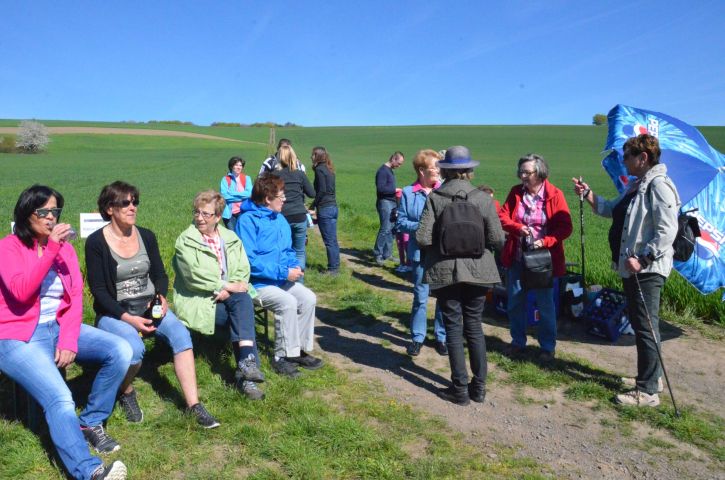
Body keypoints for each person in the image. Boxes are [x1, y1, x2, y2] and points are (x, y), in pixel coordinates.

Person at [0, 185, 131, 480]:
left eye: (54, 211)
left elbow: (74, 298)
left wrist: (69, 340)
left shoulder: (66, 250)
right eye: (43, 211)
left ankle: (90, 421)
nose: (50, 217)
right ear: (26, 214)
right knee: (60, 398)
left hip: (57, 328)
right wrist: (51, 250)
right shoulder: (7, 247)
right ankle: (90, 471)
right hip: (17, 335)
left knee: (120, 350)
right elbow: (21, 292)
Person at [85, 181, 220, 429]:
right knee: (135, 350)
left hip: (150, 306)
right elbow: (100, 293)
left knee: (181, 336)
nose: (132, 207)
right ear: (109, 209)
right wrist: (128, 318)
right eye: (125, 203)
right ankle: (125, 391)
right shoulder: (96, 243)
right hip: (116, 313)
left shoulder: (146, 236)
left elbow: (160, 274)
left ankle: (194, 405)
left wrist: (160, 296)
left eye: (135, 201)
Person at [573, 133, 679, 407]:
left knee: (645, 326)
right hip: (633, 268)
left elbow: (668, 230)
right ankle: (651, 378)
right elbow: (610, 209)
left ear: (642, 158)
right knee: (642, 323)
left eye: (627, 156)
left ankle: (647, 392)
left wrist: (644, 258)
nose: (624, 161)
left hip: (647, 269)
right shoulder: (637, 186)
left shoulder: (658, 186)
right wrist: (588, 194)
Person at [416, 146, 505, 405]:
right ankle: (479, 388)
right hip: (480, 270)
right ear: (469, 170)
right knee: (474, 327)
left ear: (445, 169)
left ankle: (459, 389)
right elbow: (497, 239)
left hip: (446, 271)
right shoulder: (483, 199)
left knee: (453, 328)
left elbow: (422, 237)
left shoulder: (436, 197)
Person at [172, 190, 265, 401]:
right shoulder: (186, 241)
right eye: (197, 212)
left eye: (206, 214)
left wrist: (229, 290)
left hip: (229, 298)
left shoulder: (231, 238)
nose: (199, 218)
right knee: (242, 310)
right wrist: (225, 286)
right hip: (201, 300)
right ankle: (247, 370)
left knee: (241, 304)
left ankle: (246, 368)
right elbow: (193, 277)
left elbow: (243, 268)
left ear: (217, 217)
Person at [236, 175, 323, 378]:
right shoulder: (247, 221)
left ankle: (297, 351)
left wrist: (293, 265)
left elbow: (288, 250)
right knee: (287, 302)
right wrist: (284, 272)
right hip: (255, 283)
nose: (284, 199)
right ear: (268, 198)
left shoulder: (280, 219)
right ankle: (281, 358)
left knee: (308, 298)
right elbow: (249, 261)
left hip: (279, 280)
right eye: (281, 195)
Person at [498, 154, 572, 362]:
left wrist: (545, 241)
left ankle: (547, 347)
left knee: (545, 305)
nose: (522, 176)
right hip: (518, 257)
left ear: (539, 173)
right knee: (515, 302)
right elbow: (503, 217)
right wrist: (518, 228)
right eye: (520, 172)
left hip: (543, 261)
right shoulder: (515, 193)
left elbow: (565, 227)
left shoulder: (555, 195)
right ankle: (517, 342)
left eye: (527, 172)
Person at [396, 149, 447, 357]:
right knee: (420, 296)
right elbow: (400, 221)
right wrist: (424, 227)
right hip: (419, 252)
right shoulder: (409, 193)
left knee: (443, 295)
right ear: (421, 170)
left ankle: (441, 337)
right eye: (433, 167)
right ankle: (417, 337)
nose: (437, 170)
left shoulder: (444, 190)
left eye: (438, 166)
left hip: (442, 252)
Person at [271, 144, 316, 281]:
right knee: (299, 251)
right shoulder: (300, 174)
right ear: (293, 157)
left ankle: (283, 279)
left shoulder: (274, 176)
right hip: (299, 216)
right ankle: (299, 282)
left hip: (281, 217)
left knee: (282, 249)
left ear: (279, 157)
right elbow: (312, 193)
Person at [310, 146, 340, 275]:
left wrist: (312, 206)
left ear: (317, 156)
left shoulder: (319, 169)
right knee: (333, 239)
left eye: (312, 155)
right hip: (333, 207)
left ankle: (333, 269)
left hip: (325, 208)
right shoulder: (329, 169)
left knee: (329, 241)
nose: (311, 157)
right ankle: (336, 266)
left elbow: (322, 190)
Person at [373, 151, 405, 265]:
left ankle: (388, 254)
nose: (399, 166)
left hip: (392, 202)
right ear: (393, 159)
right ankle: (378, 254)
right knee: (385, 228)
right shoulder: (382, 171)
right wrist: (395, 190)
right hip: (384, 203)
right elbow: (381, 189)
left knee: (392, 229)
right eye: (399, 163)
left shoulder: (390, 171)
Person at [220, 156, 253, 232]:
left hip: (243, 212)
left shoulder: (247, 178)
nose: (239, 167)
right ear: (231, 166)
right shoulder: (225, 179)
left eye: (240, 165)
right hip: (229, 214)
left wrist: (231, 193)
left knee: (242, 234)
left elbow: (249, 194)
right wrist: (242, 197)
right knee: (233, 235)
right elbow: (225, 196)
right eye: (236, 165)